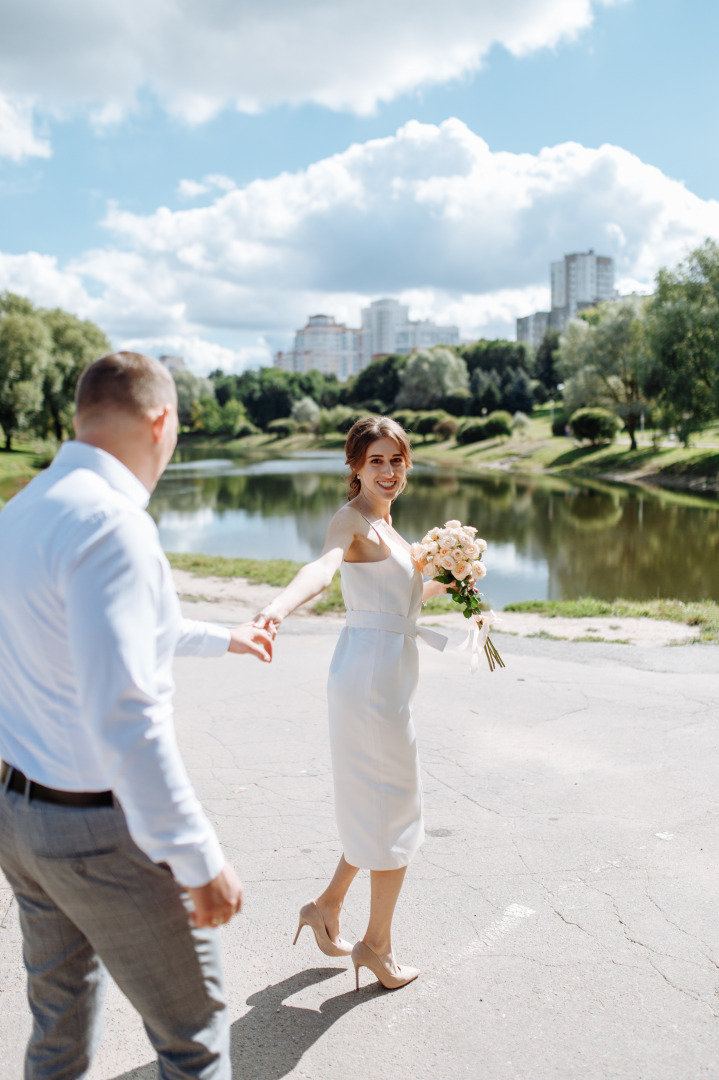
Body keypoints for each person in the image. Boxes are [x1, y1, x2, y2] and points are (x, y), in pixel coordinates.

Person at [0, 352, 274, 1079]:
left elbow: (89, 638)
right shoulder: (112, 524)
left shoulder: (25, 509)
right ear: (162, 422)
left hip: (21, 816)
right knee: (194, 1040)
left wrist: (225, 637)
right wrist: (198, 857)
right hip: (99, 830)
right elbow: (126, 714)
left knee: (58, 1028)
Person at [253, 416, 447, 991]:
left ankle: (326, 906)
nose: (388, 472)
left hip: (385, 674)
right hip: (369, 680)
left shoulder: (389, 528)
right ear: (355, 468)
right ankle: (376, 948)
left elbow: (399, 598)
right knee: (395, 807)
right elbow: (322, 567)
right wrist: (277, 609)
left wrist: (452, 578)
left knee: (378, 801)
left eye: (397, 461)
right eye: (376, 462)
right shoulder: (351, 520)